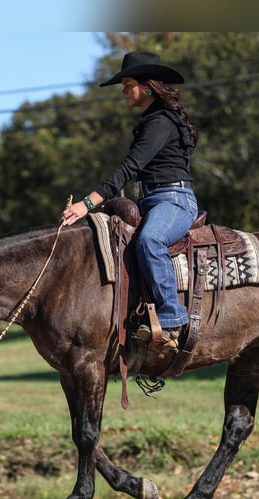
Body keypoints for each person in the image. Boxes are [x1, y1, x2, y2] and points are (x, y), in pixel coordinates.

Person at [61, 51, 199, 351]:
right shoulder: (151, 120)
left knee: (150, 241)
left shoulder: (161, 121)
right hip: (150, 200)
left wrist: (87, 203)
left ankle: (173, 319)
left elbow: (129, 168)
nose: (124, 92)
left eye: (127, 84)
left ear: (147, 86)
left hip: (174, 200)